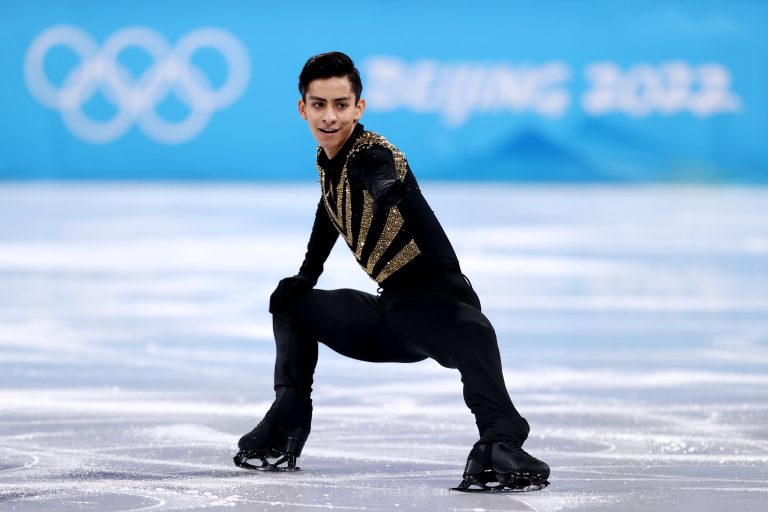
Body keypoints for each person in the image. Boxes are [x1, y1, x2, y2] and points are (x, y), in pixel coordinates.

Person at [233, 51, 550, 492]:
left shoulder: (371, 153)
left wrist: (385, 190)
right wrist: (307, 275)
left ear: (358, 108)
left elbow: (377, 174)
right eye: (319, 104)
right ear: (302, 107)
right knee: (289, 300)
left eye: (341, 105)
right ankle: (287, 420)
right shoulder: (328, 162)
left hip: (436, 304)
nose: (329, 116)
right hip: (392, 313)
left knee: (476, 332)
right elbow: (329, 211)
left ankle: (500, 441)